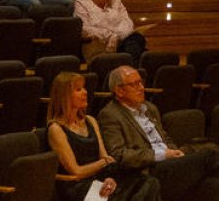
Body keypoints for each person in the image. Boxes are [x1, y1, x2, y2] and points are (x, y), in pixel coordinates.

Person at [98, 66, 219, 201]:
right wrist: (163, 155)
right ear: (119, 91)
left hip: (169, 165)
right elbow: (120, 155)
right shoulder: (110, 114)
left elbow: (165, 139)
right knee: (211, 154)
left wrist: (175, 153)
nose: (141, 88)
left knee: (216, 185)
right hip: (148, 173)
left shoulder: (150, 108)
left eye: (141, 82)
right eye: (134, 84)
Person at [47, 71, 161, 201]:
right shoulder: (56, 129)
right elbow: (76, 171)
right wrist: (103, 163)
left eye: (84, 88)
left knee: (148, 182)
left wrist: (109, 178)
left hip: (99, 179)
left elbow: (106, 159)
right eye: (78, 90)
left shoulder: (90, 120)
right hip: (77, 187)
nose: (85, 92)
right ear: (64, 96)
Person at [75, 0, 146, 64]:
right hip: (98, 48)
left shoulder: (116, 2)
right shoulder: (82, 4)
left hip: (122, 44)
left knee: (138, 43)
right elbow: (84, 28)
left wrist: (116, 37)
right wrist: (109, 35)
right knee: (135, 45)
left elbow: (128, 24)